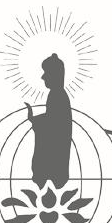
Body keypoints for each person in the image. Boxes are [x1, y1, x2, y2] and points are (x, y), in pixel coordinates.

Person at [26, 54, 73, 188]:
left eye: (46, 73)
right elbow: (52, 118)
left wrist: (35, 121)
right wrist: (36, 120)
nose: (43, 77)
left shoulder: (58, 95)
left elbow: (55, 125)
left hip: (55, 155)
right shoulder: (56, 94)